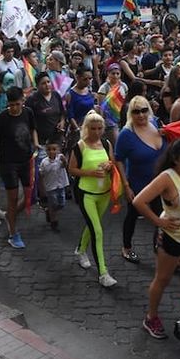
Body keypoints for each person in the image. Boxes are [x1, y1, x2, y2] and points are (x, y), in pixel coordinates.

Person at [135, 138, 180, 338]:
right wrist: (159, 222)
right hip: (172, 238)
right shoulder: (168, 177)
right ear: (175, 160)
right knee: (163, 279)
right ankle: (151, 318)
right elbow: (139, 201)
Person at [69, 111, 120, 287]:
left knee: (93, 225)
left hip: (104, 193)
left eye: (99, 128)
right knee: (97, 231)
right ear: (86, 128)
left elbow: (112, 162)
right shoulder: (80, 146)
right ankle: (103, 273)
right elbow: (71, 169)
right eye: (93, 128)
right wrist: (89, 173)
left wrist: (109, 165)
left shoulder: (106, 143)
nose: (96, 132)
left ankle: (80, 250)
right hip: (86, 194)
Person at [114, 95, 166, 264]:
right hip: (137, 184)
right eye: (136, 112)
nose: (141, 115)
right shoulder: (126, 134)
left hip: (159, 183)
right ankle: (126, 247)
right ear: (131, 113)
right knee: (133, 215)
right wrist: (126, 185)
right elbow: (118, 159)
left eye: (144, 110)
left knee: (160, 216)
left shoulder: (156, 124)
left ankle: (158, 248)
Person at [0, 86, 37, 250]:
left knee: (30, 196)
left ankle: (10, 216)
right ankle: (12, 232)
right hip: (8, 163)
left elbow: (32, 129)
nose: (14, 108)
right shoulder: (1, 118)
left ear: (23, 101)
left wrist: (35, 143)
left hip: (26, 159)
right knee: (13, 198)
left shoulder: (28, 113)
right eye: (11, 105)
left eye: (17, 104)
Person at [38, 139, 68, 230]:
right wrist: (42, 188)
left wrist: (64, 161)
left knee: (61, 203)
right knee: (53, 204)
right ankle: (53, 221)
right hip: (51, 187)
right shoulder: (44, 162)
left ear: (58, 150)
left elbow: (65, 166)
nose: (52, 151)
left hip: (61, 185)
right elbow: (41, 174)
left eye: (54, 149)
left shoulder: (60, 158)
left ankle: (49, 211)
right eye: (49, 149)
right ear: (46, 151)